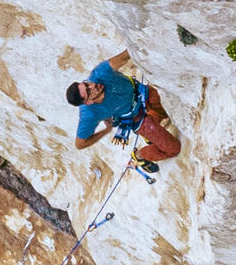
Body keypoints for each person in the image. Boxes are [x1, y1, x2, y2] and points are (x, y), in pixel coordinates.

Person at [66, 53, 176, 183]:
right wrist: (106, 131)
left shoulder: (99, 75)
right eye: (89, 92)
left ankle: (153, 123)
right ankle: (140, 156)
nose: (93, 86)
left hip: (144, 94)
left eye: (87, 84)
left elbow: (126, 54)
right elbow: (80, 144)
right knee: (173, 148)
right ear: (88, 102)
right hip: (138, 119)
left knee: (174, 105)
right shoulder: (89, 114)